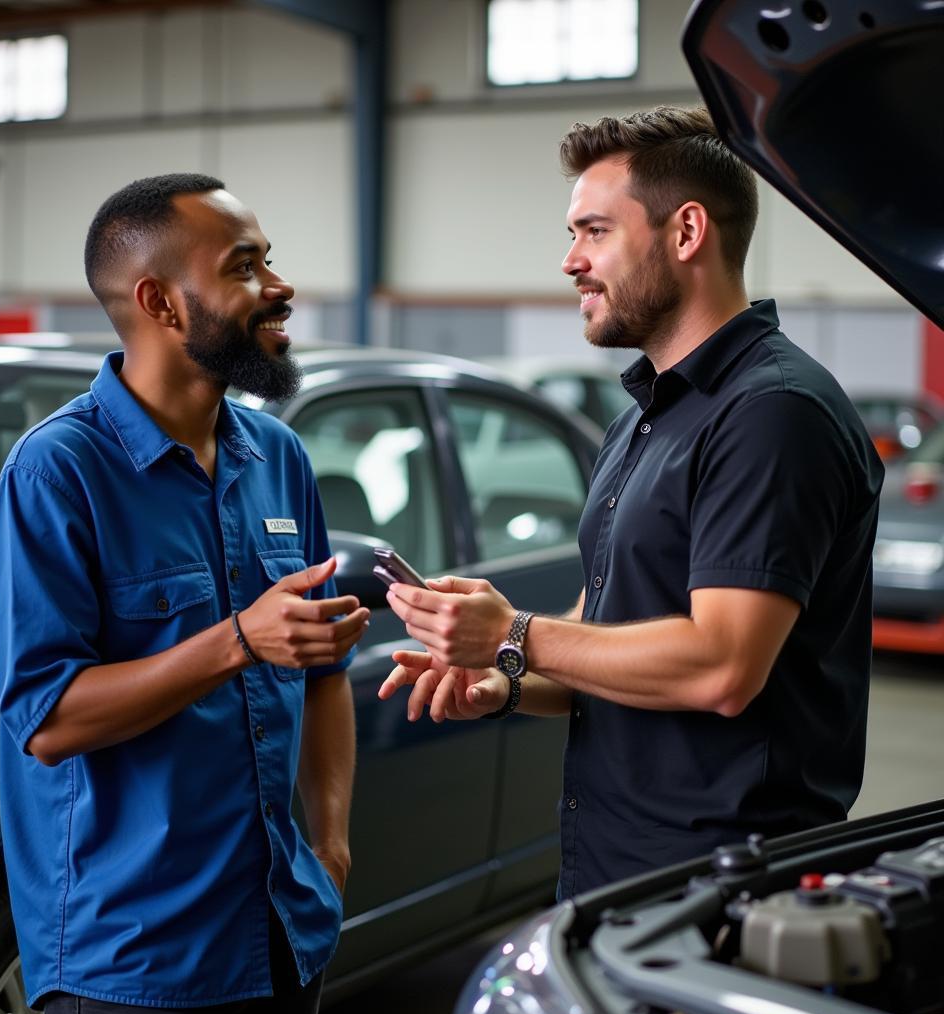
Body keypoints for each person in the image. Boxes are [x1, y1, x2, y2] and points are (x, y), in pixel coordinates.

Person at [379, 107, 884, 897]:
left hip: (729, 888)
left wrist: (513, 630)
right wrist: (503, 673)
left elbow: (722, 666)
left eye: (594, 231)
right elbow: (599, 638)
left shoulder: (774, 414)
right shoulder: (645, 417)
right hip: (614, 870)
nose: (570, 261)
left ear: (686, 233)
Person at [0, 173, 369, 1014]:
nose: (280, 285)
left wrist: (328, 844)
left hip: (283, 932)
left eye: (270, 260)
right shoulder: (57, 475)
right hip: (133, 966)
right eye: (245, 266)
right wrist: (239, 640)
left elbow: (326, 667)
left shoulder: (278, 456)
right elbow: (48, 720)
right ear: (160, 302)